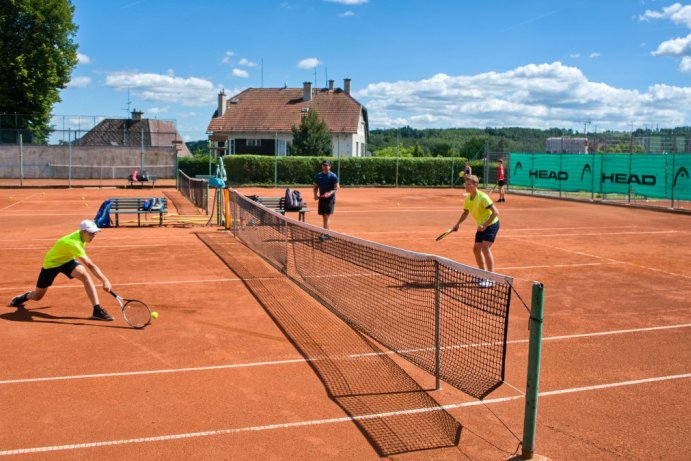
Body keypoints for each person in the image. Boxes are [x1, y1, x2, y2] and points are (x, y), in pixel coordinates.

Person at [8, 220, 114, 320]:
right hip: (51, 264)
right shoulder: (73, 243)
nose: (93, 235)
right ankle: (24, 297)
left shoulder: (82, 235)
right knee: (37, 296)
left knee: (84, 275)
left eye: (95, 233)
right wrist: (104, 280)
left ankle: (97, 309)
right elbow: (90, 265)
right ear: (83, 232)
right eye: (91, 233)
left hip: (66, 260)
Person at [450, 175, 500, 287]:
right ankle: (483, 274)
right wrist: (458, 224)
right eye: (466, 184)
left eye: (468, 184)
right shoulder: (468, 198)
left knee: (485, 248)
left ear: (475, 185)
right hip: (481, 226)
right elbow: (465, 212)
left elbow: (496, 212)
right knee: (476, 249)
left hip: (491, 224)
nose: (466, 187)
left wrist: (485, 225)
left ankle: (491, 278)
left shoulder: (483, 197)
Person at [313, 160, 340, 229]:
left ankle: (326, 234)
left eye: (326, 165)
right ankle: (326, 232)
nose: (325, 167)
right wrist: (315, 194)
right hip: (322, 199)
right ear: (322, 166)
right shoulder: (318, 176)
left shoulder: (333, 176)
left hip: (330, 199)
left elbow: (336, 188)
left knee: (326, 216)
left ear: (329, 167)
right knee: (324, 216)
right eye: (324, 165)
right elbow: (315, 186)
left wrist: (329, 193)